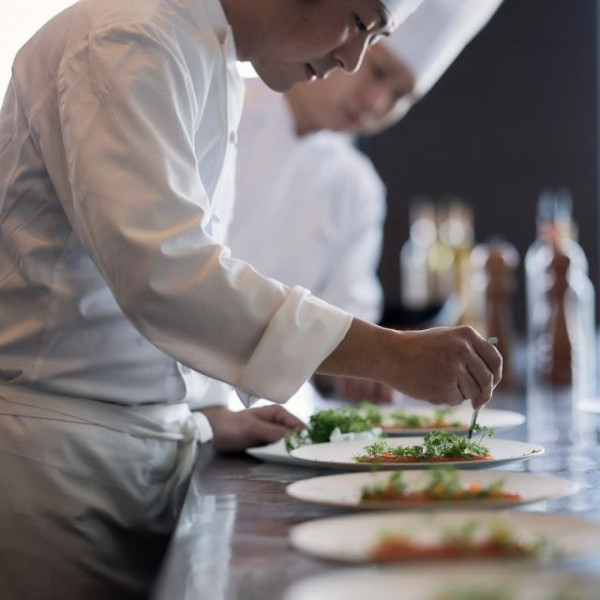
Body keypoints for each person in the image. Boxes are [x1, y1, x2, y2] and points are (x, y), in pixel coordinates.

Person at [0, 0, 501, 597]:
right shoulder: (127, 36)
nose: (351, 59)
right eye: (360, 24)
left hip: (144, 457)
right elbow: (167, 277)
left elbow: (143, 299)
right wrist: (389, 354)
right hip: (60, 471)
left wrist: (206, 413)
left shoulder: (208, 54)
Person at [229, 0, 503, 404]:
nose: (377, 102)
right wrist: (381, 356)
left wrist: (365, 372)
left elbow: (350, 317)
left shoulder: (359, 186)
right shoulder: (225, 104)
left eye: (402, 96)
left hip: (273, 409)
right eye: (378, 71)